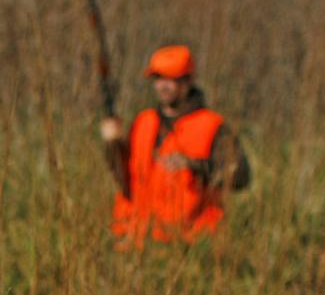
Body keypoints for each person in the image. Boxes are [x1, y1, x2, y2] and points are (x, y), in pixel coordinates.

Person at [99, 43, 250, 244]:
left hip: (190, 244)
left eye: (172, 79)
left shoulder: (213, 126)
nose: (163, 86)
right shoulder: (143, 122)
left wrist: (194, 165)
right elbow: (127, 183)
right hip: (137, 243)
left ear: (189, 81)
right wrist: (113, 146)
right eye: (158, 78)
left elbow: (240, 177)